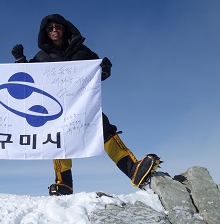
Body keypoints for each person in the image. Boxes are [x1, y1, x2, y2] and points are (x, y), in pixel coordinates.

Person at [11, 14, 161, 195]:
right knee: (58, 141)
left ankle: (133, 171)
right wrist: (20, 61)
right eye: (50, 28)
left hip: (83, 105)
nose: (54, 30)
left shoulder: (82, 52)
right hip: (55, 109)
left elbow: (96, 76)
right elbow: (29, 82)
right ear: (45, 32)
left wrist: (105, 70)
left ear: (64, 28)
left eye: (57, 27)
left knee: (105, 131)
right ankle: (63, 184)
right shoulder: (41, 57)